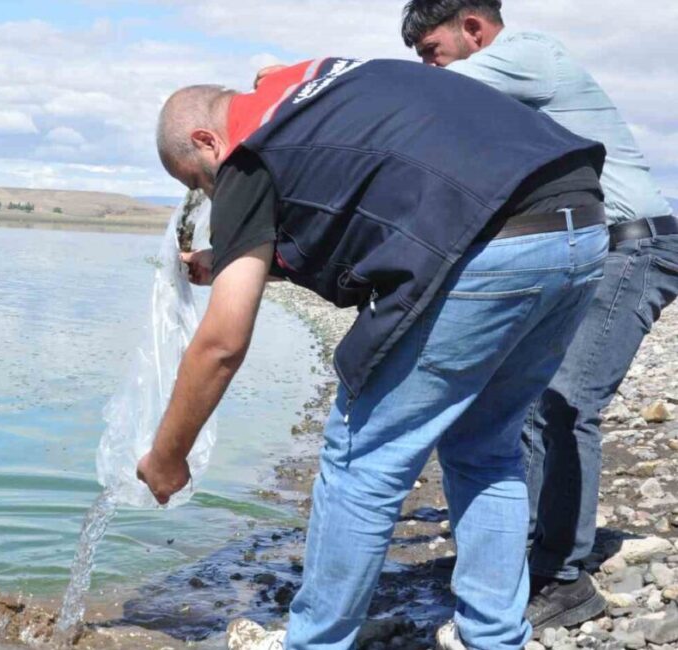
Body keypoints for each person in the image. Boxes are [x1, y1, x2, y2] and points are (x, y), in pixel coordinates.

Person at [137, 56, 609, 649]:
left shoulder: (248, 154)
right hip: (582, 227)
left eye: (200, 181)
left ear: (207, 140)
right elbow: (371, 205)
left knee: (362, 458)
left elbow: (222, 343)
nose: (210, 194)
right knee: (486, 449)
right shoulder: (310, 91)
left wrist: (167, 457)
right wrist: (234, 261)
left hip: (487, 242)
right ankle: (495, 638)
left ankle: (318, 642)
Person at [397, 0, 678, 636]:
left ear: (472, 28)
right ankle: (513, 554)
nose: (427, 63)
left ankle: (565, 578)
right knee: (521, 402)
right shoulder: (494, 106)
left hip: (633, 246)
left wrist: (309, 82)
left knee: (567, 403)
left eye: (431, 48)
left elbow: (417, 95)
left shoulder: (528, 55)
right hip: (580, 250)